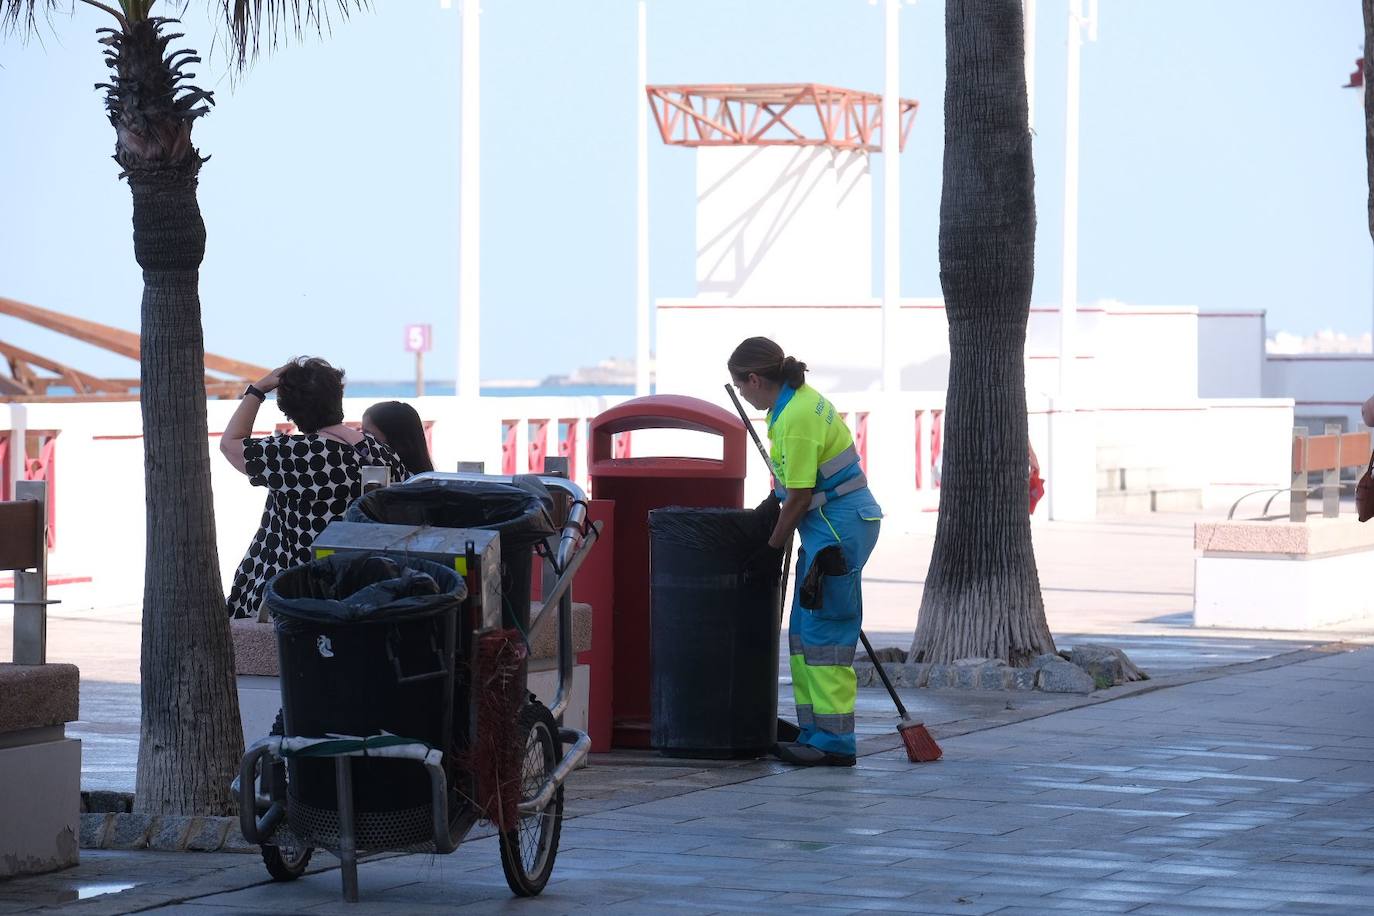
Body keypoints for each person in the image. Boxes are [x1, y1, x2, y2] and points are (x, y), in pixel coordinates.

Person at [729, 337, 882, 767]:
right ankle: (814, 730)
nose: (742, 394)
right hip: (829, 526)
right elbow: (793, 486)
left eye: (741, 387)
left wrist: (770, 548)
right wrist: (772, 502)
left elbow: (799, 498)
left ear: (755, 379)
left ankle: (835, 742)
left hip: (837, 529)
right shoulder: (794, 403)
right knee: (802, 630)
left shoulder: (794, 417)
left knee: (826, 633)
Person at [221, 357, 409, 620]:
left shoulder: (296, 454)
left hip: (294, 595)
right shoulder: (380, 453)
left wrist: (257, 390)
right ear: (337, 397)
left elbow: (230, 444)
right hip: (364, 591)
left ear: (288, 410)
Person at [362, 401, 435, 474]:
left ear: (396, 441)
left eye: (368, 434)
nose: (361, 437)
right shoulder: (426, 481)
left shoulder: (405, 480)